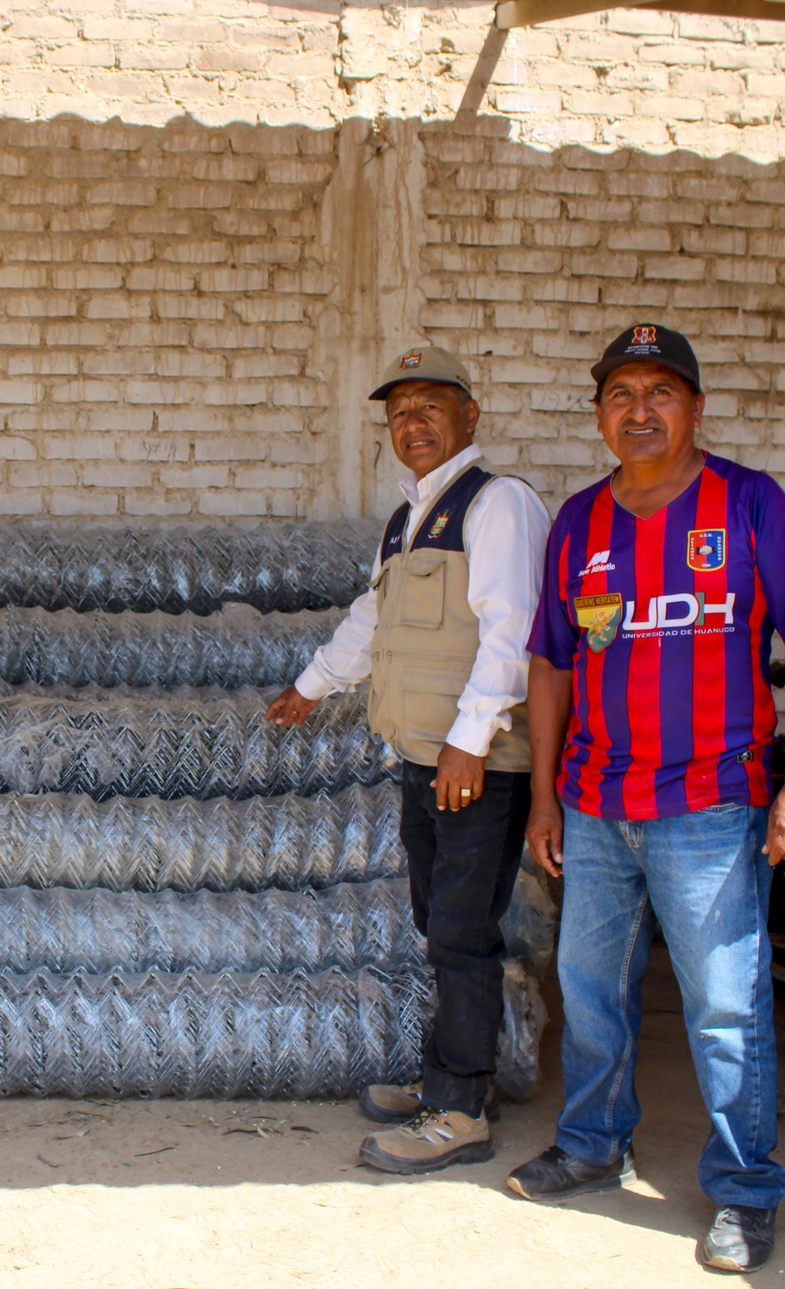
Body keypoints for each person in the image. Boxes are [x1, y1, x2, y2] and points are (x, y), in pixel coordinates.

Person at [505, 324, 785, 1275]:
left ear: (695, 407)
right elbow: (552, 660)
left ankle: (744, 1189)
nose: (639, 411)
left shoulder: (751, 504)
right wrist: (545, 795)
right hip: (598, 803)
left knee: (725, 1004)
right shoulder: (578, 523)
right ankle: (594, 1142)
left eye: (661, 392)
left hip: (712, 802)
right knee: (592, 989)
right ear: (600, 413)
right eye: (620, 394)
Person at [267, 343, 550, 1174]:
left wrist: (470, 744)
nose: (413, 423)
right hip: (426, 757)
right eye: (399, 412)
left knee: (461, 932)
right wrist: (314, 685)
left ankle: (459, 1109)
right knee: (440, 923)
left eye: (431, 406)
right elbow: (374, 616)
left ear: (469, 415)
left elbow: (513, 630)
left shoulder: (497, 505)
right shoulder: (408, 518)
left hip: (476, 763)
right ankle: (456, 1079)